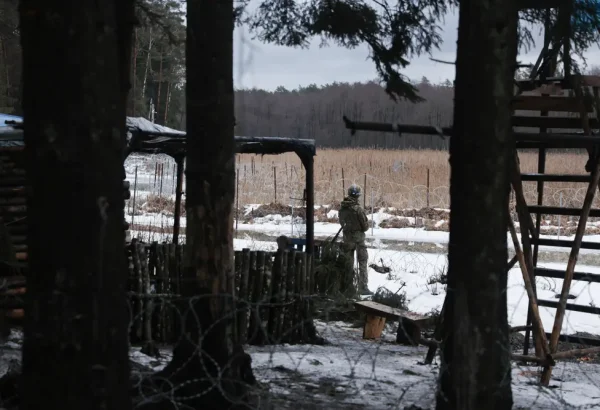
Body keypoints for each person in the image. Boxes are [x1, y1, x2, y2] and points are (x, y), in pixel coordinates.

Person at [338, 184, 371, 295]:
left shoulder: (342, 209)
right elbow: (365, 227)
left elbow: (342, 223)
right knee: (362, 262)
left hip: (347, 239)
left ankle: (348, 287)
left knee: (348, 264)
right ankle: (363, 287)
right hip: (359, 241)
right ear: (358, 196)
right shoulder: (358, 209)